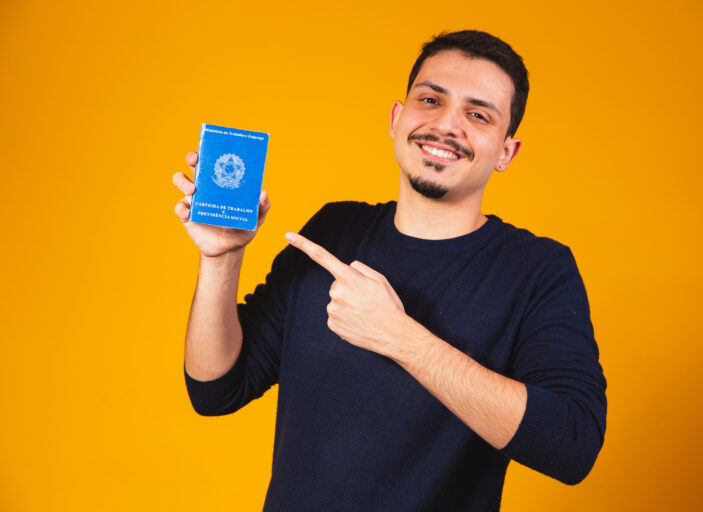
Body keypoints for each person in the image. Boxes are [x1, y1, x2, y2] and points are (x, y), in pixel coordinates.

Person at [173, 30, 607, 511]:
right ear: (397, 119)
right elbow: (216, 389)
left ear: (506, 151)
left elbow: (571, 445)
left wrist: (399, 337)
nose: (446, 124)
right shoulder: (333, 230)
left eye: (478, 114)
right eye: (429, 99)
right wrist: (221, 258)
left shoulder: (538, 270)